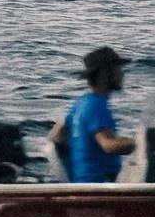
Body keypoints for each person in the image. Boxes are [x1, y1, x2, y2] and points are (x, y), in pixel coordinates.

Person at [50, 44, 139, 182]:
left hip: (84, 183)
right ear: (104, 74)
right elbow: (108, 145)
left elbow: (57, 136)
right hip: (100, 187)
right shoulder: (95, 105)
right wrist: (137, 143)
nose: (122, 74)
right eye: (118, 69)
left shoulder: (80, 103)